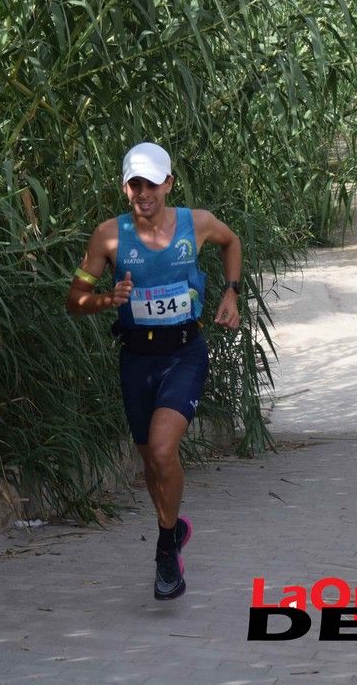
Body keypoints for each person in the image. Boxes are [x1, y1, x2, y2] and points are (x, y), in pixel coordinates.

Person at [65, 141, 242, 600]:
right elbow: (74, 300)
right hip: (136, 358)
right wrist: (107, 300)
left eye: (152, 182)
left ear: (168, 182)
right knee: (149, 459)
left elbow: (231, 240)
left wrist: (231, 292)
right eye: (134, 183)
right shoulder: (108, 236)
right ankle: (173, 528)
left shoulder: (195, 223)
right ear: (125, 188)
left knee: (163, 449)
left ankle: (166, 547)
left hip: (184, 352)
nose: (144, 192)